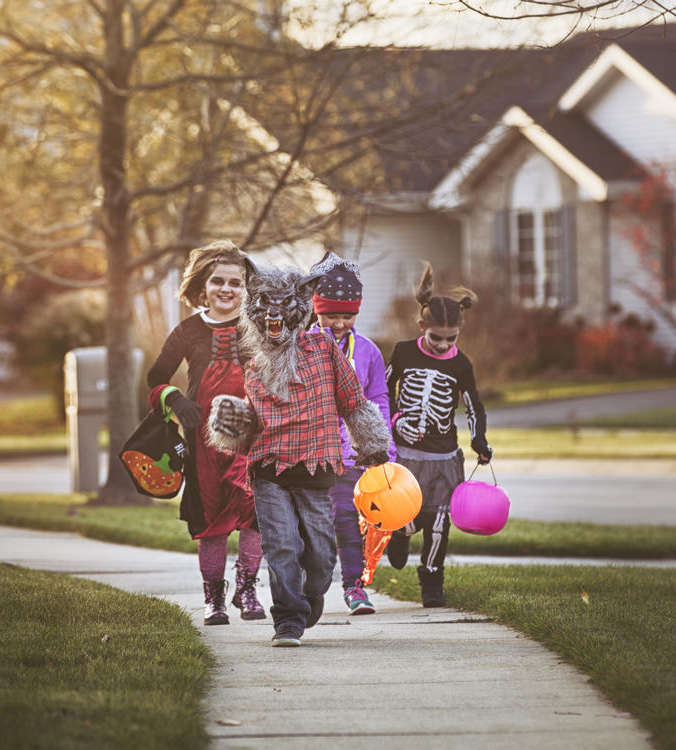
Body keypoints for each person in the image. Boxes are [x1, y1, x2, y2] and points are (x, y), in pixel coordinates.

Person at [206, 258, 391, 647]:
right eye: (266, 309)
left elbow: (353, 401)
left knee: (322, 557)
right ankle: (287, 620)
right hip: (269, 469)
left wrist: (373, 446)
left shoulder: (323, 347)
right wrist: (232, 422)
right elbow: (252, 420)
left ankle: (309, 598)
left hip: (318, 468)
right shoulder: (254, 361)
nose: (274, 318)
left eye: (282, 308)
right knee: (282, 546)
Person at [146, 240, 265, 626]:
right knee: (209, 519)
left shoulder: (259, 325)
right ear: (203, 286)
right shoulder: (188, 330)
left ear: (247, 288)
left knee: (254, 514)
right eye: (218, 282)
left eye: (236, 282)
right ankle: (213, 597)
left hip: (253, 436)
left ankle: (247, 589)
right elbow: (155, 378)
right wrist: (174, 399)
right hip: (203, 441)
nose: (227, 289)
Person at [384, 262, 493, 607]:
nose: (443, 345)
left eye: (451, 339)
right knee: (407, 514)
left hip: (444, 457)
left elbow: (473, 404)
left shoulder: (460, 363)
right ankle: (399, 534)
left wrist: (479, 441)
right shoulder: (403, 352)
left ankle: (431, 578)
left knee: (438, 521)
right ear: (422, 327)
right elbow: (382, 392)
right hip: (406, 456)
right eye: (436, 338)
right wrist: (395, 421)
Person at [307, 252, 396, 615]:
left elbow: (378, 399)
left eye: (347, 315)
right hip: (309, 455)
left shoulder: (369, 352)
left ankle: (354, 587)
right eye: (331, 314)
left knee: (347, 521)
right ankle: (309, 589)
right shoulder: (301, 345)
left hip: (350, 457)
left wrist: (383, 450)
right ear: (316, 310)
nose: (339, 322)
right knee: (312, 529)